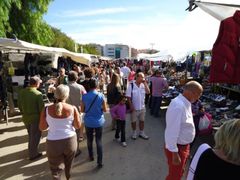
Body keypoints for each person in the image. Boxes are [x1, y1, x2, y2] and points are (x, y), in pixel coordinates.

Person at [39, 84, 81, 180]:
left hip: (53, 144)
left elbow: (42, 127)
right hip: (70, 141)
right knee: (69, 165)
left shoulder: (46, 109)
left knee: (56, 171)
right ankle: (68, 177)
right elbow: (78, 126)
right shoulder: (73, 108)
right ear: (67, 96)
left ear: (55, 95)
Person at [164, 80, 203, 180]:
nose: (199, 97)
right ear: (191, 92)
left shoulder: (186, 103)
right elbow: (171, 131)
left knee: (179, 172)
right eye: (199, 94)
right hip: (178, 148)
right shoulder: (178, 106)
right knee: (174, 176)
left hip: (183, 146)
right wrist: (175, 153)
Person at [81, 78, 107, 168]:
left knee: (89, 139)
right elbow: (105, 109)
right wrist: (98, 109)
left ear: (89, 86)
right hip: (99, 121)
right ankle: (100, 161)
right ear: (96, 86)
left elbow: (82, 110)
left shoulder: (84, 96)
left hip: (88, 122)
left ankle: (91, 156)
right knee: (99, 141)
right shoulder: (101, 95)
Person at [18, 76, 44, 160]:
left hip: (26, 117)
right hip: (35, 118)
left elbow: (19, 105)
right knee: (35, 136)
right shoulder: (38, 94)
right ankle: (33, 154)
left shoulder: (22, 92)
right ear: (37, 83)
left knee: (31, 135)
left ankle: (31, 151)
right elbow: (42, 109)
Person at [125, 72, 150, 140]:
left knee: (142, 121)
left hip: (142, 107)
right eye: (142, 77)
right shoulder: (131, 85)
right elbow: (128, 97)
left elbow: (148, 92)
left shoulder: (143, 85)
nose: (143, 78)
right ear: (137, 77)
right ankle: (134, 133)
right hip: (134, 108)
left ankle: (141, 133)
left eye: (143, 77)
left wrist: (145, 83)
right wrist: (131, 106)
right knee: (134, 121)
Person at [67, 71, 86, 157]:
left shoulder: (64, 87)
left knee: (68, 130)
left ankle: (69, 148)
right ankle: (76, 149)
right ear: (76, 78)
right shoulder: (80, 87)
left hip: (66, 112)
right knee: (77, 131)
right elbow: (85, 97)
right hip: (78, 111)